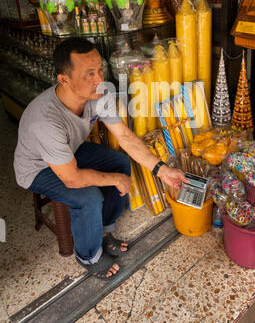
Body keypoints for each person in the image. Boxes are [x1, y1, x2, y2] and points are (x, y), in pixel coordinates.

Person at [14, 37, 187, 279]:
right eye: (89, 74)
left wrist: (162, 169)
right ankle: (88, 256)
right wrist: (115, 179)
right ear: (64, 79)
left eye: (100, 69)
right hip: (37, 168)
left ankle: (104, 232)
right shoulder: (45, 120)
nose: (99, 79)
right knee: (88, 197)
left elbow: (125, 137)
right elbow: (72, 179)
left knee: (119, 161)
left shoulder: (99, 92)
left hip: (69, 152)